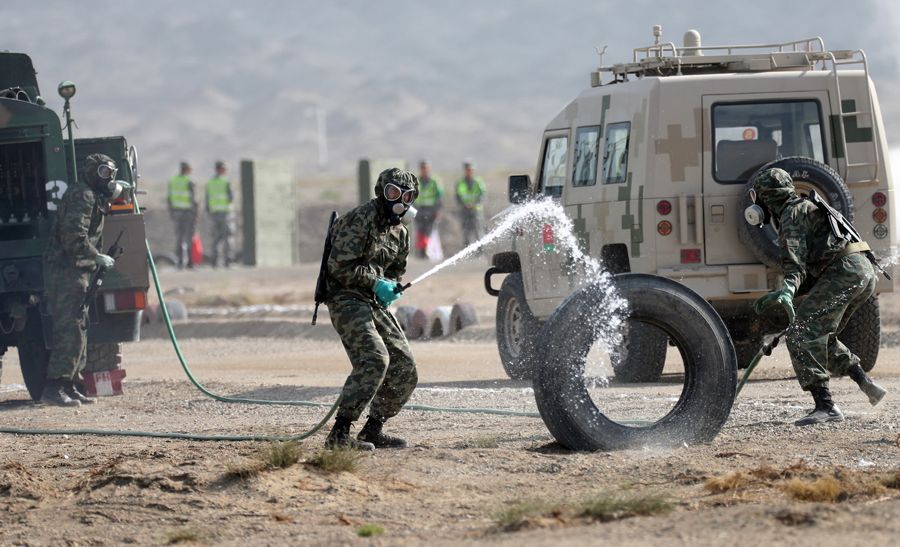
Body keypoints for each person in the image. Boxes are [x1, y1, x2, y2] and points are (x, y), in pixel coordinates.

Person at [749, 167, 886, 426]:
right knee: (824, 334)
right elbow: (814, 267)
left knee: (801, 332)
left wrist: (788, 289)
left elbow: (795, 264)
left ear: (767, 199)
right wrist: (786, 291)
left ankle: (826, 406)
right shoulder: (805, 206)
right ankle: (866, 385)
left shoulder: (790, 215)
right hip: (861, 271)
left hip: (843, 272)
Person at [323, 168, 419, 450]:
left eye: (407, 196)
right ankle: (339, 435)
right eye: (393, 193)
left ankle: (372, 430)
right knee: (375, 358)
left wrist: (391, 288)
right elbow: (338, 266)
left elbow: (395, 271)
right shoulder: (362, 218)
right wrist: (375, 283)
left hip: (373, 301)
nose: (399, 200)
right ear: (381, 191)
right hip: (345, 296)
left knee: (405, 366)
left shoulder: (401, 233)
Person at [41, 154, 123, 407]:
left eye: (111, 173)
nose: (108, 179)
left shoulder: (91, 195)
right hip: (68, 271)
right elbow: (72, 236)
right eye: (103, 172)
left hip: (78, 271)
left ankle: (69, 385)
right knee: (70, 329)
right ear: (91, 172)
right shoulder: (83, 195)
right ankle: (54, 387)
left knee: (80, 327)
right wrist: (95, 255)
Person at [168, 161, 199, 269]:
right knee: (189, 238)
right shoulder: (190, 181)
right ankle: (190, 263)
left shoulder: (173, 181)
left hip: (177, 212)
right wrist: (196, 214)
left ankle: (180, 263)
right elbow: (194, 200)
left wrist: (171, 213)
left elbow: (169, 199)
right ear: (187, 169)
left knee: (179, 238)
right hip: (188, 213)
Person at [205, 160, 235, 268]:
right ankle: (228, 262)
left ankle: (215, 263)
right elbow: (231, 197)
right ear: (221, 169)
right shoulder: (226, 182)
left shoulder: (210, 183)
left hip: (214, 214)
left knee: (215, 239)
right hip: (225, 214)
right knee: (228, 238)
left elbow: (207, 200)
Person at [414, 159, 444, 259]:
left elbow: (439, 197)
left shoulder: (435, 181)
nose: (424, 170)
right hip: (420, 209)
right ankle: (421, 252)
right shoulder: (416, 181)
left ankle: (429, 251)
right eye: (423, 168)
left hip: (431, 210)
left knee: (429, 230)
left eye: (426, 168)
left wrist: (437, 210)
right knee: (420, 230)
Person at [455, 158, 486, 248]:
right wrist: (463, 205)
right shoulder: (460, 182)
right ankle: (467, 252)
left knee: (478, 232)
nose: (469, 171)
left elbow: (482, 195)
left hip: (476, 211)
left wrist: (474, 204)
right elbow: (458, 196)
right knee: (466, 232)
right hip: (465, 211)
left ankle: (481, 252)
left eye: (470, 169)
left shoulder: (478, 181)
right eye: (467, 169)